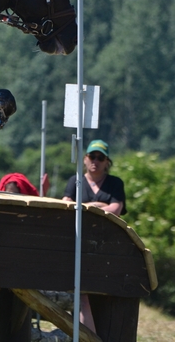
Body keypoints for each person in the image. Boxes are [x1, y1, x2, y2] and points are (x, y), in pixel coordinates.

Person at [61, 139, 128, 334]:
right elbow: (66, 206)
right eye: (92, 156)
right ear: (85, 158)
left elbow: (115, 210)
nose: (95, 161)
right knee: (83, 296)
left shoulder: (115, 183)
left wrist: (85, 207)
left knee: (104, 296)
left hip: (108, 246)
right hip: (78, 243)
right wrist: (98, 206)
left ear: (107, 161)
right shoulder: (76, 181)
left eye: (100, 157)